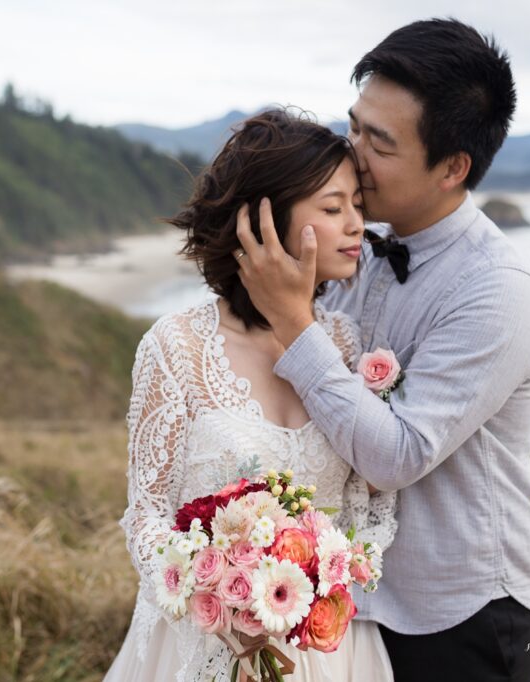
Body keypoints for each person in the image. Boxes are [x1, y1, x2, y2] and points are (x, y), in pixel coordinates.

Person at [235, 19, 530, 682]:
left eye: (377, 142)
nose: (351, 153)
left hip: (458, 613)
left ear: (453, 168)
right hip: (345, 602)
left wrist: (296, 325)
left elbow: (395, 457)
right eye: (353, 126)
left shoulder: (499, 291)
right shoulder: (352, 246)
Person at [103, 108, 397, 682]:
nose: (357, 225)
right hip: (203, 643)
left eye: (358, 206)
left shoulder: (345, 344)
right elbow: (145, 516)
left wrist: (329, 570)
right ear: (264, 219)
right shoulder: (175, 346)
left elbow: (369, 512)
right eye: (334, 209)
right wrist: (219, 592)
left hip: (331, 651)